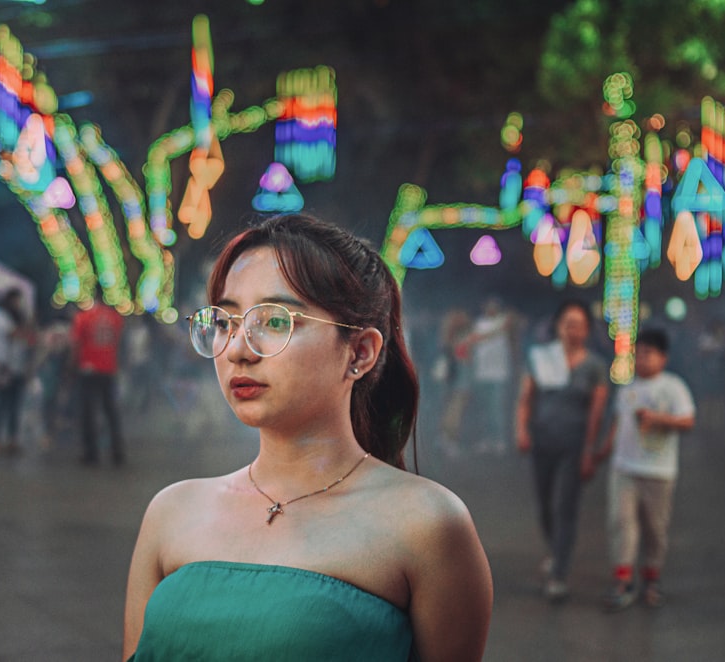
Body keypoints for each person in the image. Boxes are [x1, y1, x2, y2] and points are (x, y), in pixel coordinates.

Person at [122, 214, 492, 661]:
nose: (238, 348)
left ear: (360, 353)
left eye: (274, 322)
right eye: (225, 321)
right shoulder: (172, 511)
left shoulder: (427, 524)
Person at [515, 299, 609, 603]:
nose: (573, 330)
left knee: (565, 507)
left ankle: (559, 573)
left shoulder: (594, 366)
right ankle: (555, 549)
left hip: (574, 443)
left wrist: (589, 450)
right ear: (557, 327)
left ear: (587, 330)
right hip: (543, 440)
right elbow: (526, 397)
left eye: (579, 325)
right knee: (544, 505)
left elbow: (597, 411)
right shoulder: (541, 359)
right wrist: (522, 429)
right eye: (568, 324)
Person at [595, 328, 695, 611]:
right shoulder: (628, 389)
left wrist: (657, 418)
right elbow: (617, 424)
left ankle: (651, 579)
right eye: (639, 354)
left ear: (663, 358)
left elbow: (688, 422)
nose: (643, 360)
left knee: (655, 528)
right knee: (621, 523)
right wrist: (602, 452)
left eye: (649, 354)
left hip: (658, 471)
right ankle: (623, 581)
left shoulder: (673, 387)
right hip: (623, 468)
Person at [70, 290, 125, 466]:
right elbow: (120, 342)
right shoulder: (115, 318)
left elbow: (76, 344)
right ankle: (117, 451)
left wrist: (72, 366)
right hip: (108, 368)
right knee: (110, 411)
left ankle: (91, 453)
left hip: (88, 368)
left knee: (88, 412)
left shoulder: (83, 317)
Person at [0, 287, 36, 456]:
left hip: (18, 367)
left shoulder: (19, 318)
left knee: (15, 406)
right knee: (1, 405)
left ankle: (13, 439)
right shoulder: (1, 317)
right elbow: (12, 334)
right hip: (3, 367)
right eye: (16, 300)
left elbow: (28, 339)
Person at [469, 297, 513, 453]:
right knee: (484, 408)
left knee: (497, 409)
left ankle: (499, 440)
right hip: (482, 372)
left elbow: (515, 322)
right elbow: (475, 339)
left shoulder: (504, 320)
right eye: (489, 306)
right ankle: (486, 439)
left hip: (498, 374)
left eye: (494, 306)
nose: (491, 309)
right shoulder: (480, 323)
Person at [436, 308, 474, 457]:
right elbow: (464, 358)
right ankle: (448, 441)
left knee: (450, 408)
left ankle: (444, 440)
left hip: (454, 377)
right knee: (455, 410)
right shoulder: (460, 338)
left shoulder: (447, 339)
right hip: (460, 377)